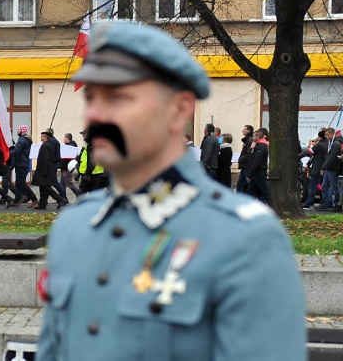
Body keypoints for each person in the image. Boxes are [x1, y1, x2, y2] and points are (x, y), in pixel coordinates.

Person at [37, 22, 306, 361]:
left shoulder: (244, 239)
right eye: (91, 97)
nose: (94, 114)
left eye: (118, 97)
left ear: (179, 111)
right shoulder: (75, 226)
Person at [31, 131, 68, 210]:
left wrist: (44, 171)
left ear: (46, 137)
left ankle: (60, 199)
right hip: (46, 170)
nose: (41, 137)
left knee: (46, 187)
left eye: (43, 136)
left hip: (44, 170)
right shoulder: (47, 145)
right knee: (43, 187)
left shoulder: (46, 146)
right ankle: (42, 204)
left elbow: (46, 160)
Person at [8, 124, 39, 208]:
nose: (17, 131)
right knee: (18, 183)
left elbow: (17, 151)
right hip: (22, 162)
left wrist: (7, 154)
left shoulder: (21, 140)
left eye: (18, 129)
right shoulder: (26, 140)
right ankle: (16, 201)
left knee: (21, 182)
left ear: (22, 131)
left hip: (20, 163)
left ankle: (34, 198)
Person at [75, 128, 107, 193]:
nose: (82, 136)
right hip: (93, 173)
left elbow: (92, 161)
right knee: (91, 193)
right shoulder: (90, 144)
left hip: (92, 174)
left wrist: (87, 174)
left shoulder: (92, 145)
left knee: (83, 193)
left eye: (84, 134)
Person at [301, 130, 326, 209]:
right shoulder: (328, 144)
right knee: (324, 186)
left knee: (313, 186)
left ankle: (308, 202)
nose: (317, 138)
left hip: (317, 168)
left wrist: (298, 156)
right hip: (324, 168)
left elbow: (309, 152)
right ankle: (324, 202)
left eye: (318, 137)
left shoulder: (319, 145)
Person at [319, 127, 341, 210]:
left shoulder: (335, 144)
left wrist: (323, 167)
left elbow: (331, 157)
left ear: (332, 134)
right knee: (324, 186)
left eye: (327, 134)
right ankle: (327, 202)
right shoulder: (330, 143)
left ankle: (337, 204)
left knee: (334, 187)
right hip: (328, 168)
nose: (325, 136)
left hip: (333, 168)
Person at [44, 127, 68, 202]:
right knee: (49, 182)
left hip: (53, 164)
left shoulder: (51, 141)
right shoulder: (55, 141)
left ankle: (63, 197)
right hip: (55, 163)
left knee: (54, 182)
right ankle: (45, 199)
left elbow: (51, 153)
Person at [60, 133, 82, 197]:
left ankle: (79, 193)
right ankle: (63, 197)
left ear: (67, 138)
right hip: (64, 167)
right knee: (62, 184)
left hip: (67, 167)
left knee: (69, 183)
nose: (63, 139)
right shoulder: (68, 146)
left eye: (64, 138)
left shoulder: (70, 147)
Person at [236, 125, 254, 193]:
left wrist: (241, 159)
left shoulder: (249, 140)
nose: (242, 131)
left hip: (246, 165)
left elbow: (249, 153)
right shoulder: (247, 140)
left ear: (248, 130)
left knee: (248, 182)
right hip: (244, 166)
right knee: (240, 183)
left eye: (244, 129)